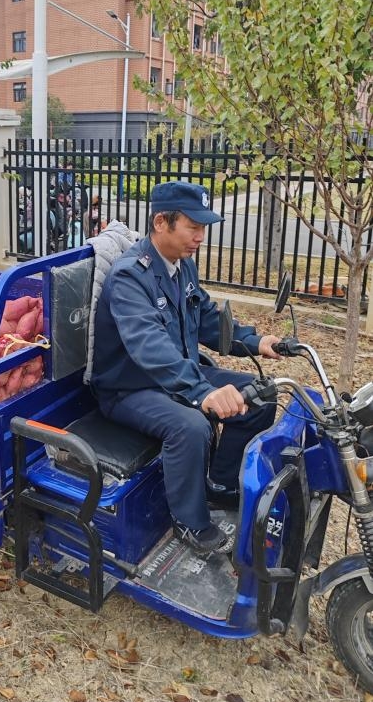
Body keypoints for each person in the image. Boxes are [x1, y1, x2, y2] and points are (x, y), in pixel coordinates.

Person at [90, 180, 286, 559]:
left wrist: (258, 341)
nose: (200, 236)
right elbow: (150, 346)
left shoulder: (182, 267)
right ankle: (189, 521)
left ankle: (218, 483)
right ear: (161, 222)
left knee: (261, 396)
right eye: (193, 227)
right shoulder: (131, 276)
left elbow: (209, 320)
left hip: (175, 375)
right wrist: (204, 392)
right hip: (128, 388)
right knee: (191, 426)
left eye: (203, 228)